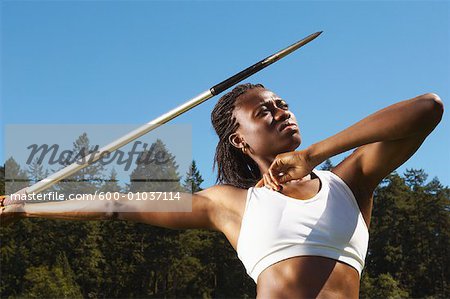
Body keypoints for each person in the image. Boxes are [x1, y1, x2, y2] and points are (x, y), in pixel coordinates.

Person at [1, 83, 444, 298]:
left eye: (282, 105)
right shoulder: (229, 204)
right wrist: (24, 208)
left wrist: (315, 154)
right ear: (240, 139)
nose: (280, 112)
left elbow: (428, 109)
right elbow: (114, 204)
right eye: (264, 111)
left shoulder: (348, 182)